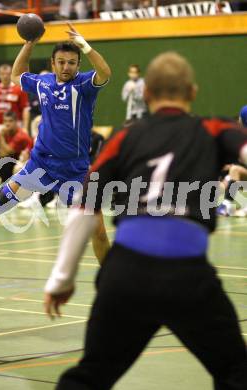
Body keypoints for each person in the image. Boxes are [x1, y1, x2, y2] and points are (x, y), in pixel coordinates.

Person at [44, 52, 247, 390]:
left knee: (90, 375)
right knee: (236, 372)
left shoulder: (125, 137)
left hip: (125, 275)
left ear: (147, 94)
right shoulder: (213, 129)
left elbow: (84, 204)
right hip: (188, 276)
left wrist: (60, 279)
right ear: (193, 92)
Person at [0, 23, 111, 264]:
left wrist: (84, 45)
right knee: (3, 199)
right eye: (61, 62)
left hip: (76, 170)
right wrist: (29, 43)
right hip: (41, 164)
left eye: (72, 62)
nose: (66, 67)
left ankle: (109, 280)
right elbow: (16, 75)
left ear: (78, 65)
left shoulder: (84, 86)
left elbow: (105, 72)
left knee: (99, 232)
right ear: (53, 64)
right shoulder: (43, 84)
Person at [0, 63, 30, 142]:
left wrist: (25, 128)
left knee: (15, 150)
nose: (5, 76)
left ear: (11, 75)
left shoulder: (18, 88)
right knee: (0, 152)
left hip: (16, 125)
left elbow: (25, 109)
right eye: (2, 74)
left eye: (8, 74)